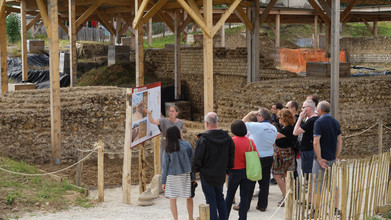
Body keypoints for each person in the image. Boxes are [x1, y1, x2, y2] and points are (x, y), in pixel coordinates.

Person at [193, 112, 235, 220]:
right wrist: (228, 169)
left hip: (207, 174)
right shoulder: (227, 138)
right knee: (220, 197)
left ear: (206, 123)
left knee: (210, 199)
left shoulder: (203, 139)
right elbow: (231, 155)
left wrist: (196, 169)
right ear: (217, 122)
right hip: (220, 173)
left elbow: (197, 157)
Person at [241, 108, 277, 212]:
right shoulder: (274, 128)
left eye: (257, 116)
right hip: (269, 156)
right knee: (264, 183)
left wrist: (250, 113)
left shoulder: (256, 126)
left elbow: (241, 123)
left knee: (250, 182)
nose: (256, 117)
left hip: (256, 156)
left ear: (261, 117)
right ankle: (262, 205)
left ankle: (245, 205)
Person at [225, 120, 258, 220]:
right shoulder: (250, 141)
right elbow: (256, 156)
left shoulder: (231, 141)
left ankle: (224, 216)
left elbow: (226, 156)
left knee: (229, 196)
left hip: (234, 171)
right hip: (247, 171)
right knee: (244, 197)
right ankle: (242, 218)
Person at [312, 101, 342, 208]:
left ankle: (316, 209)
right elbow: (339, 141)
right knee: (332, 183)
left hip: (321, 158)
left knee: (317, 184)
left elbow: (316, 142)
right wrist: (335, 156)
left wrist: (319, 158)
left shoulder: (318, 122)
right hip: (331, 157)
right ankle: (335, 207)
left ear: (320, 110)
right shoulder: (335, 122)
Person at [161, 126, 195, 220]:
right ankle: (191, 218)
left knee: (172, 199)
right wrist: (193, 177)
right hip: (186, 175)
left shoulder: (167, 148)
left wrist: (163, 181)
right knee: (189, 197)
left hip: (172, 176)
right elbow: (192, 162)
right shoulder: (187, 145)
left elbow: (165, 166)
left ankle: (175, 219)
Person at [272, 108, 297, 207]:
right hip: (289, 154)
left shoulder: (286, 130)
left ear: (284, 119)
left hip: (282, 155)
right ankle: (288, 196)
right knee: (286, 176)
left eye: (280, 118)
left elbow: (273, 136)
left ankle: (286, 196)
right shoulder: (292, 128)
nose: (279, 120)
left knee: (277, 176)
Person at [293, 100, 319, 178]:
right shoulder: (313, 119)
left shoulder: (312, 120)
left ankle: (310, 188)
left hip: (308, 150)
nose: (302, 109)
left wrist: (300, 118)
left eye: (303, 107)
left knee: (308, 172)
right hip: (308, 149)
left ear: (309, 108)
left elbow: (295, 132)